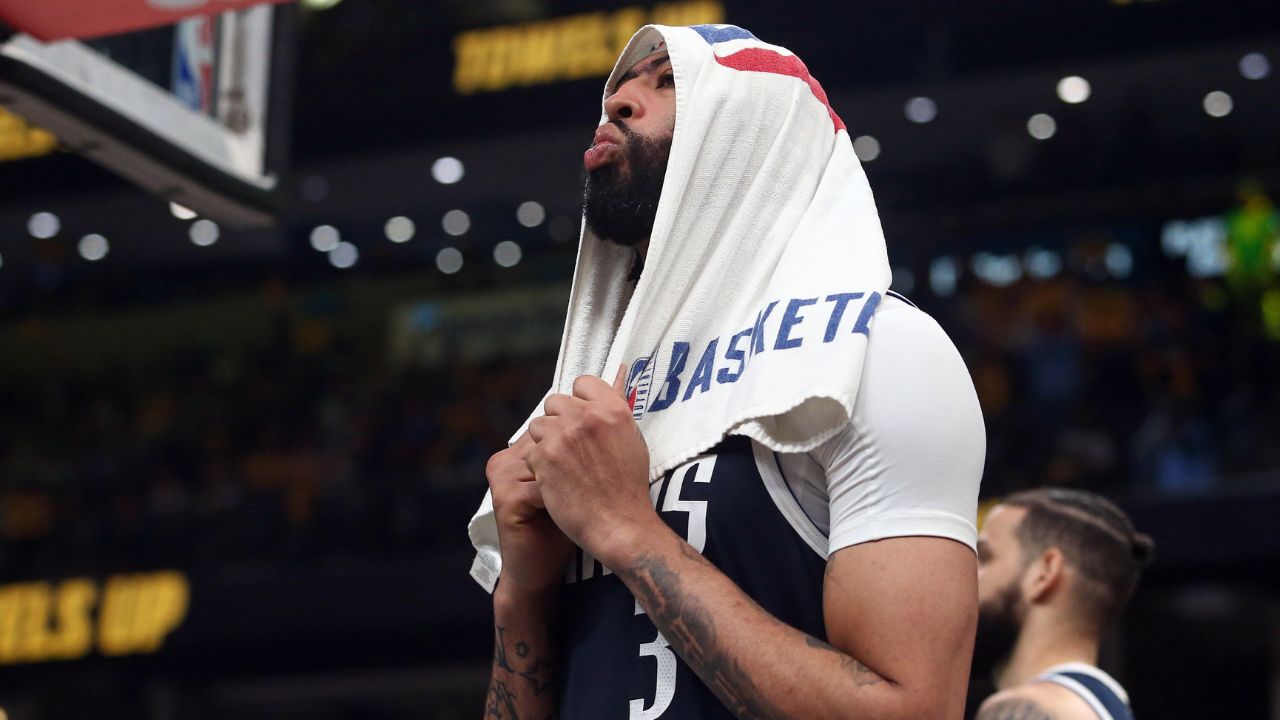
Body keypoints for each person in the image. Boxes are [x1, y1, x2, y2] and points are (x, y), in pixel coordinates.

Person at [473, 23, 985, 719]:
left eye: (667, 80)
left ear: (754, 138)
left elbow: (915, 711)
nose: (617, 99)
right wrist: (523, 596)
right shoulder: (584, 401)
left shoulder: (876, 350)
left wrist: (628, 531)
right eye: (619, 84)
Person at [973, 488, 1154, 720]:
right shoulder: (1105, 706)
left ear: (1045, 573)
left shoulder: (1026, 708)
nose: (967, 577)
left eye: (986, 557)